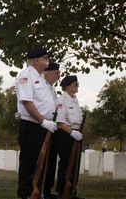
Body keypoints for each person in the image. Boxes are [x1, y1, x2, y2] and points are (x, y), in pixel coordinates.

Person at [16, 47, 58, 199]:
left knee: (41, 162)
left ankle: (37, 192)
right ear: (36, 60)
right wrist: (43, 121)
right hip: (33, 125)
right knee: (30, 162)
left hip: (42, 125)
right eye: (45, 57)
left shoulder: (40, 77)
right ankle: (26, 194)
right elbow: (27, 102)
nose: (47, 59)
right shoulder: (26, 75)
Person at [55, 76, 85, 199]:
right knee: (66, 163)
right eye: (75, 84)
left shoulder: (75, 100)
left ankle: (72, 190)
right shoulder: (61, 101)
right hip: (66, 134)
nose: (77, 86)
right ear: (67, 86)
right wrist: (71, 132)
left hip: (76, 133)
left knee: (75, 164)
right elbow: (60, 122)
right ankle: (62, 192)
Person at [43, 63, 61, 199]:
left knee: (51, 160)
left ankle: (47, 190)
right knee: (44, 160)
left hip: (53, 127)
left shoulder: (51, 89)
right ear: (47, 73)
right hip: (43, 126)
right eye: (56, 73)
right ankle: (41, 189)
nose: (58, 76)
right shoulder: (41, 86)